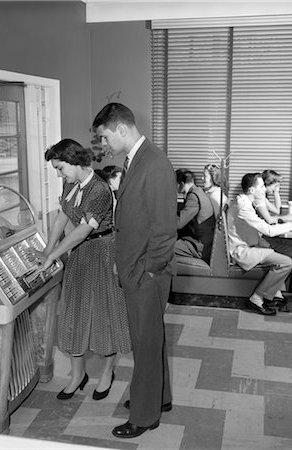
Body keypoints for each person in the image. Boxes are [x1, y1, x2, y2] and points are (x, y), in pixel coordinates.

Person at [92, 103, 177, 439]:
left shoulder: (154, 164)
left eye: (105, 136)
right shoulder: (136, 161)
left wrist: (149, 272)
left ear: (121, 129)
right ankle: (161, 398)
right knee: (152, 339)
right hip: (137, 268)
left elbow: (164, 230)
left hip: (147, 273)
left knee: (143, 343)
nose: (104, 144)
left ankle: (144, 415)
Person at [28, 138, 131, 402]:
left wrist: (53, 256)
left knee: (103, 315)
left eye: (60, 167)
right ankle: (77, 375)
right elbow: (62, 219)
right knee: (74, 313)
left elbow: (84, 229)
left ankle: (107, 373)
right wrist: (46, 251)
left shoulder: (99, 189)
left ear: (75, 161)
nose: (59, 173)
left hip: (103, 253)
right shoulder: (70, 184)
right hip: (80, 254)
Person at [227, 172, 292, 315]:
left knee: (281, 253)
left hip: (249, 244)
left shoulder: (244, 202)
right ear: (252, 190)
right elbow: (268, 230)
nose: (264, 189)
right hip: (241, 250)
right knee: (286, 262)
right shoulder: (243, 207)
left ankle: (274, 294)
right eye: (261, 186)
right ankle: (257, 298)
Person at [175, 169, 215, 264]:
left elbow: (179, 223)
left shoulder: (193, 196)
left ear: (181, 184)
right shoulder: (199, 191)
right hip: (201, 242)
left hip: (200, 246)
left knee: (163, 248)